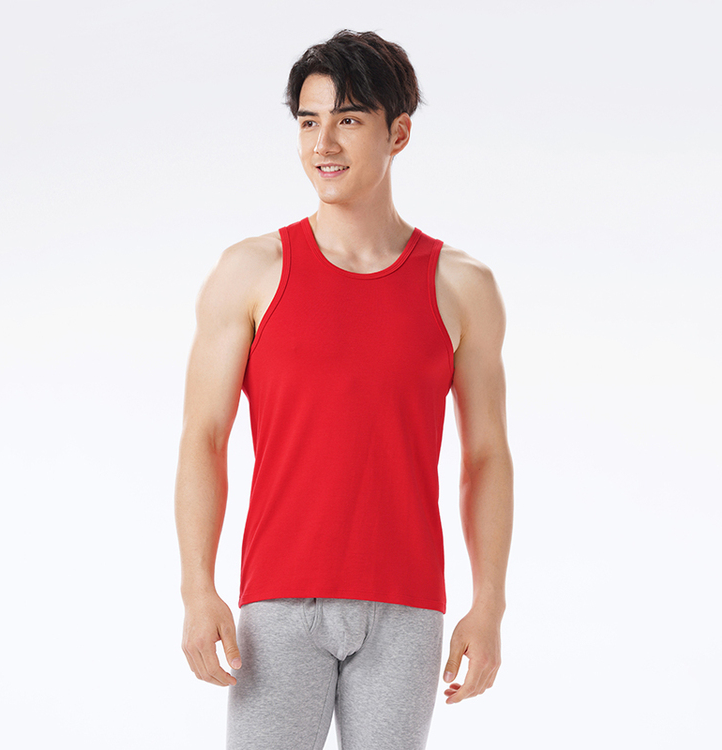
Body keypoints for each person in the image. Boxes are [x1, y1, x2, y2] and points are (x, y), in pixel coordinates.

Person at [174, 29, 514, 750]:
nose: (323, 143)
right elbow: (204, 437)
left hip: (407, 609)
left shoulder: (461, 286)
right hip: (277, 605)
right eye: (308, 121)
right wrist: (198, 590)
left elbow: (487, 455)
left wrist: (489, 605)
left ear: (399, 133)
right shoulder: (251, 271)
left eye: (348, 119)